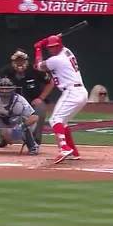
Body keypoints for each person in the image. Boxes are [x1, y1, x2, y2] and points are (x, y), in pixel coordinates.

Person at [34, 35, 88, 163]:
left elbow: (38, 66)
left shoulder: (56, 60)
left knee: (55, 119)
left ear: (59, 46)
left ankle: (64, 148)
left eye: (54, 47)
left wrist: (37, 48)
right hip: (80, 92)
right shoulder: (67, 51)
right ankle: (73, 151)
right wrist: (46, 41)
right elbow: (53, 43)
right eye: (50, 48)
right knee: (62, 122)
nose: (52, 50)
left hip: (71, 92)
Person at [0, 48, 53, 145]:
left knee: (40, 108)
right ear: (13, 61)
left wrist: (40, 98)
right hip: (12, 103)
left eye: (22, 60)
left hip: (31, 102)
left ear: (26, 60)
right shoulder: (5, 72)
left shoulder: (35, 70)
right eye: (17, 60)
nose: (20, 63)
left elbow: (50, 82)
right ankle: (2, 137)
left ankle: (36, 139)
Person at [0, 77, 41, 155]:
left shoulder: (19, 100)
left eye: (7, 89)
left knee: (25, 121)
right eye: (2, 89)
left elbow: (35, 117)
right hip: (0, 123)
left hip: (15, 123)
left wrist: (21, 127)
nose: (4, 91)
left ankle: (32, 146)